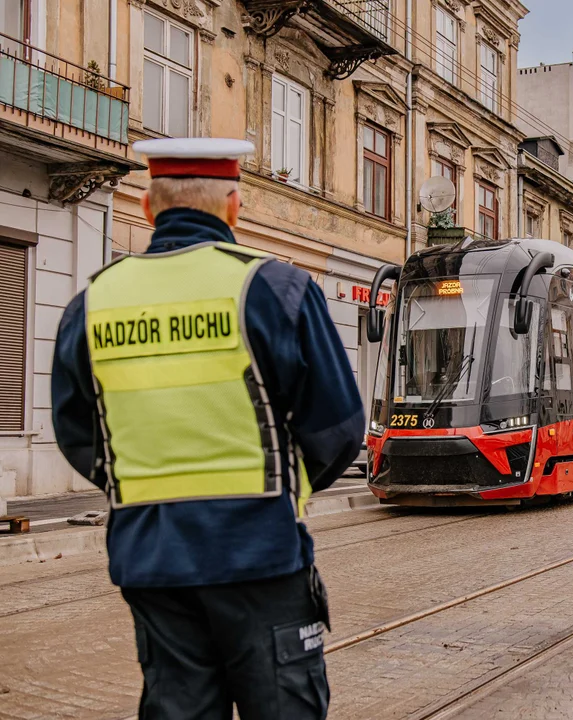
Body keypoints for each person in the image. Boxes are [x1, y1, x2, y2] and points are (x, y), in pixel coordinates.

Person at [51, 138, 365, 719]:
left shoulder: (94, 301)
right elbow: (341, 427)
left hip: (151, 560)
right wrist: (282, 486)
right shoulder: (275, 289)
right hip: (261, 555)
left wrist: (144, 488)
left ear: (148, 208)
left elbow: (75, 432)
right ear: (234, 206)